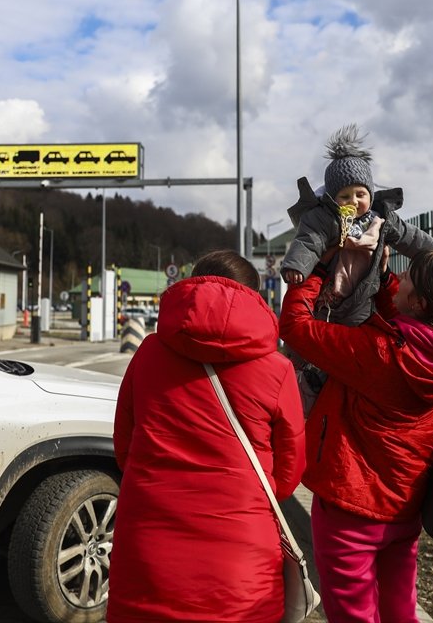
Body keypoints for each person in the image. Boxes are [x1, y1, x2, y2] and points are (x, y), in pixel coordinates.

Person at [279, 248, 433, 623]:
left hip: (350, 510)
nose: (400, 278)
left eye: (407, 277)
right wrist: (385, 277)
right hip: (406, 506)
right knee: (399, 609)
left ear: (419, 302)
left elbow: (295, 328)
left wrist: (314, 271)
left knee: (354, 614)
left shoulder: (375, 353)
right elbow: (404, 327)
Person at [108, 249, 306, 623]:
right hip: (241, 563)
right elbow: (289, 472)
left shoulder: (148, 353)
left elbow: (124, 446)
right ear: (254, 297)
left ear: (192, 286)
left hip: (147, 550)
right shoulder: (277, 369)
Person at [280, 124, 433, 412]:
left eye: (360, 194)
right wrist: (297, 266)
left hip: (362, 298)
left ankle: (341, 393)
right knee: (316, 348)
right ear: (333, 199)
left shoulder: (380, 219)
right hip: (326, 299)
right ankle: (310, 391)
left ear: (370, 193)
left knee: (352, 350)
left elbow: (410, 237)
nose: (353, 202)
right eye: (344, 197)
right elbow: (308, 241)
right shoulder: (323, 218)